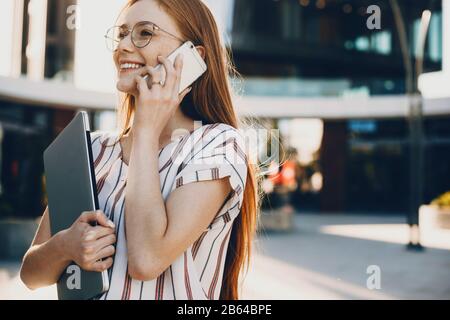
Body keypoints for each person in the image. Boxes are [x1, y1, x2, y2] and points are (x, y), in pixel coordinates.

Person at [20, 0, 258, 300]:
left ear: (193, 58)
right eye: (121, 34)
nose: (123, 47)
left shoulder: (218, 145)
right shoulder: (92, 150)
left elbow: (146, 261)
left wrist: (146, 130)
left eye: (145, 33)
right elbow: (30, 274)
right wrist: (66, 246)